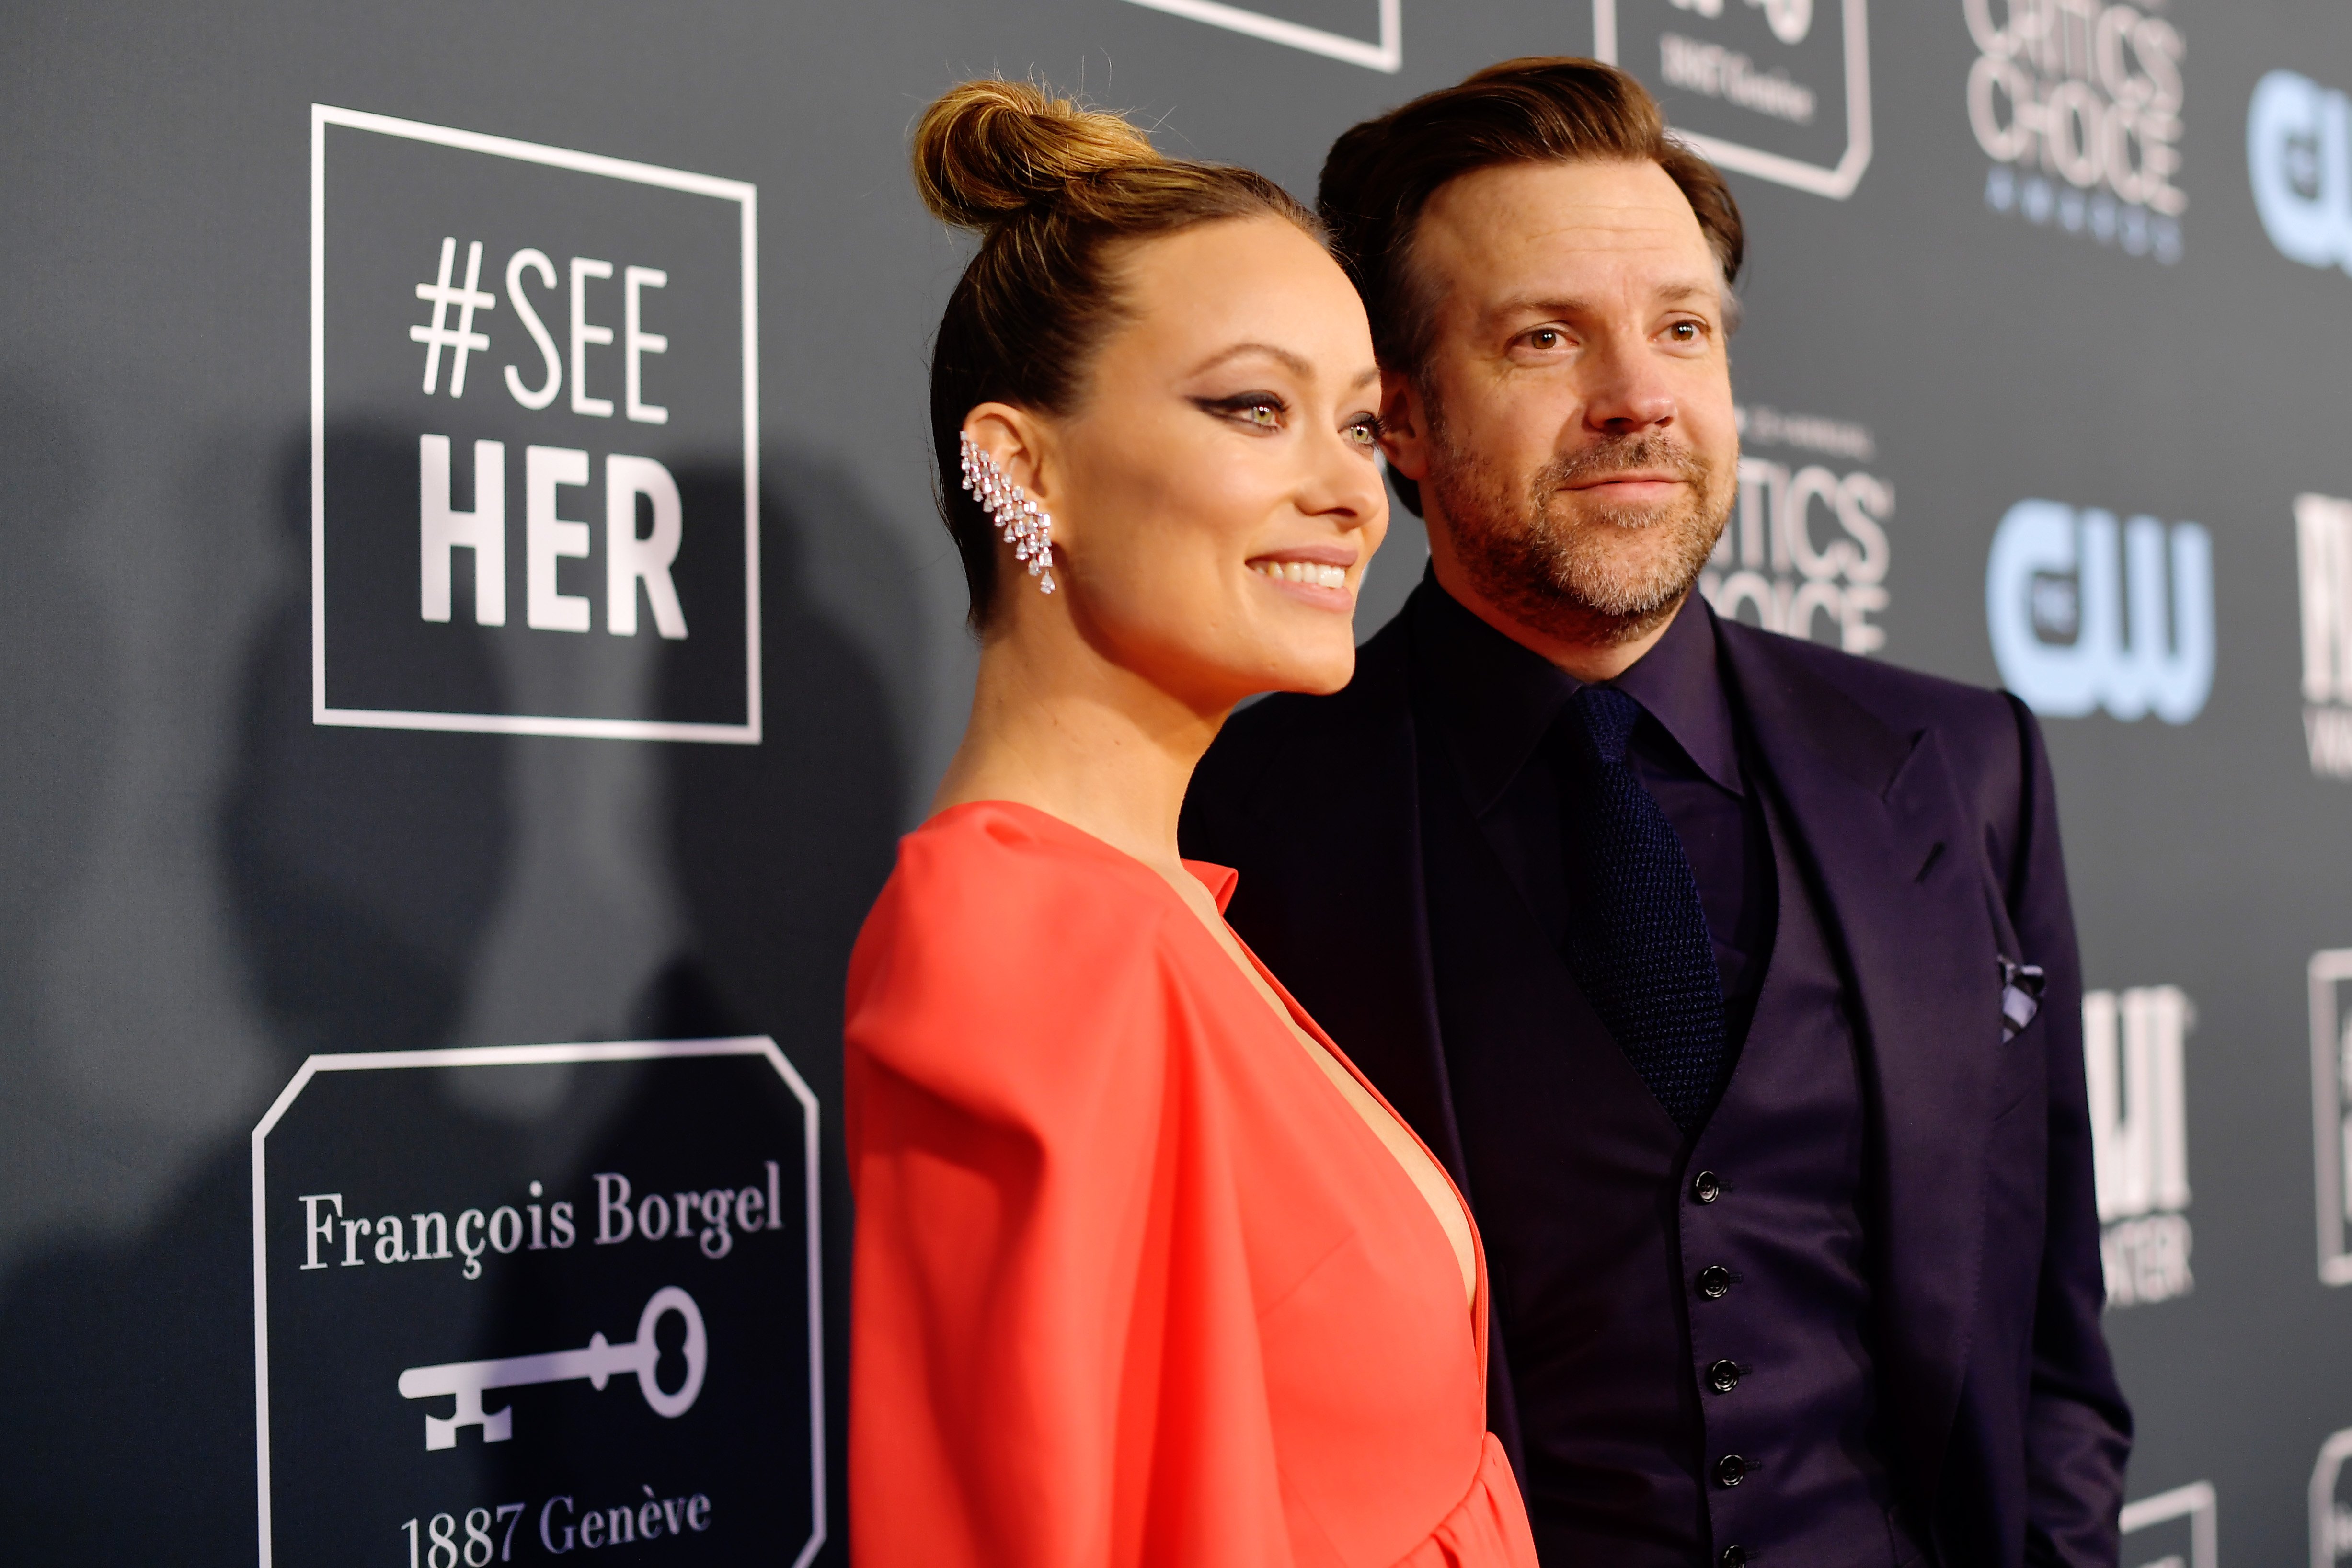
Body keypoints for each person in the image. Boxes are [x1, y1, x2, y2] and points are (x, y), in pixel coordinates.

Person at [1182, 58, 2132, 1568]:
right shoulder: (1250, 810)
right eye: (1546, 338)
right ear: (1403, 423)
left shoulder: (1963, 761)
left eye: (1682, 330)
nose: (1639, 399)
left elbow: (2052, 1345)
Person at [843, 79, 1540, 1568]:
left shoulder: (1162, 915)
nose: (1353, 492)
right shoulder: (1020, 947)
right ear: (1021, 468)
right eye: (1253, 406)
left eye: (1360, 426)